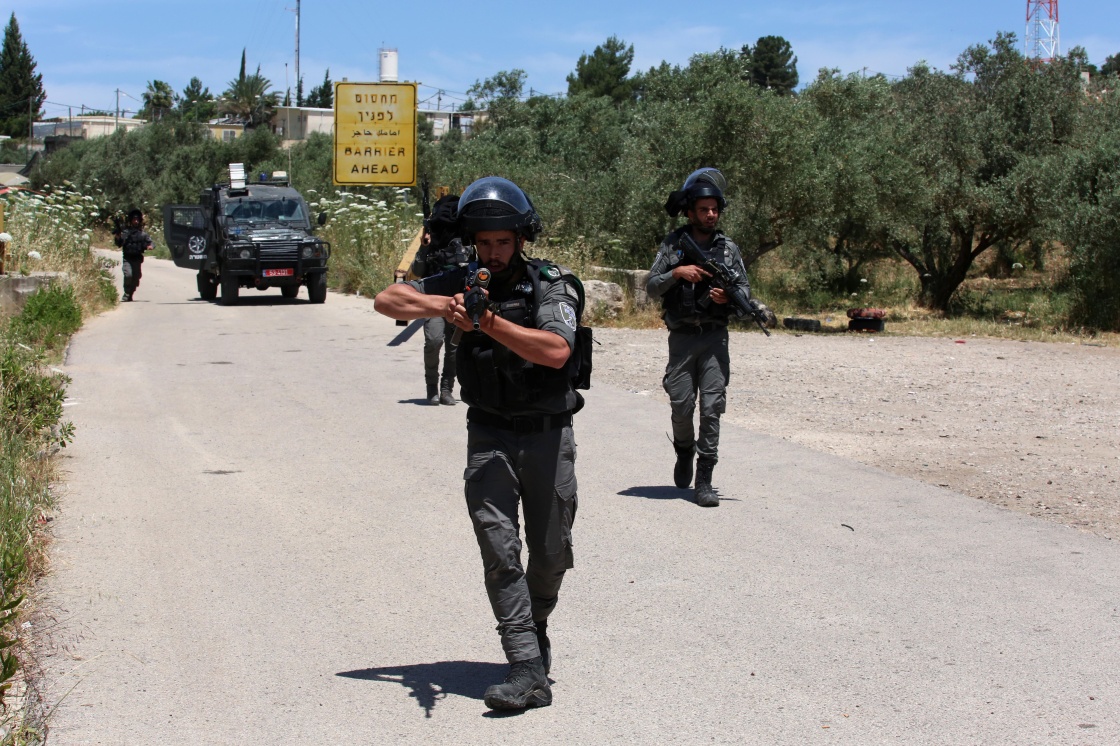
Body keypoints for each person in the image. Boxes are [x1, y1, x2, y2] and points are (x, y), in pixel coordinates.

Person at [374, 176, 585, 711]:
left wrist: (487, 322)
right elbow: (388, 299)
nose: (492, 252)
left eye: (502, 242)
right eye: (484, 242)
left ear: (520, 239)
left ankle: (535, 626)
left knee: (551, 553)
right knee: (499, 548)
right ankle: (525, 666)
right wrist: (444, 306)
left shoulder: (550, 285)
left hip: (546, 435)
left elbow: (556, 351)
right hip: (488, 431)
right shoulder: (463, 280)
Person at [646, 168, 752, 508]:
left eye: (715, 209)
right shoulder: (673, 245)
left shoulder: (728, 249)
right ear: (690, 211)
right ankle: (683, 451)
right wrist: (677, 273)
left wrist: (728, 298)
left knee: (711, 407)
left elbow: (744, 293)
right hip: (681, 337)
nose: (710, 215)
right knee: (681, 405)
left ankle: (704, 479)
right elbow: (650, 286)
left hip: (715, 338)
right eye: (704, 209)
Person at [409, 194, 469, 405]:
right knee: (434, 341)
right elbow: (417, 271)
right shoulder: (432, 240)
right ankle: (431, 388)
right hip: (433, 300)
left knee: (453, 348)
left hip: (458, 297)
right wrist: (425, 247)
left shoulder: (466, 241)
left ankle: (446, 389)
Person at [113, 209, 153, 302]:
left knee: (136, 277)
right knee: (128, 275)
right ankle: (127, 293)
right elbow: (119, 243)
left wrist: (150, 246)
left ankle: (131, 293)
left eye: (137, 219)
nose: (136, 221)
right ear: (131, 220)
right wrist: (118, 236)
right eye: (134, 219)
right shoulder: (125, 233)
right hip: (128, 258)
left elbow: (150, 242)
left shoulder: (142, 234)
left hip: (137, 259)